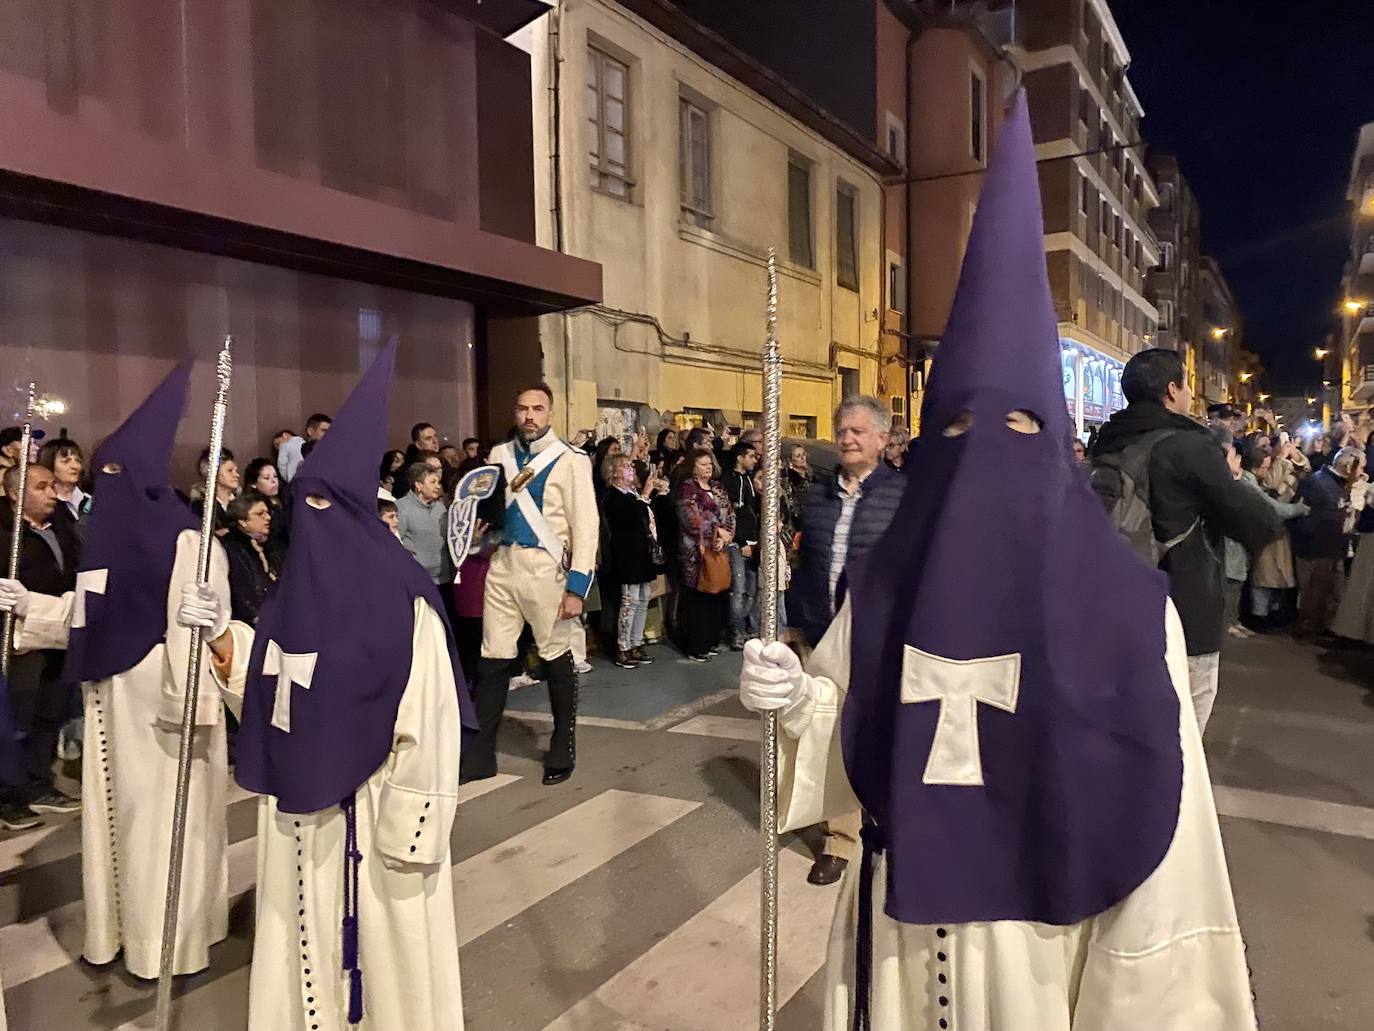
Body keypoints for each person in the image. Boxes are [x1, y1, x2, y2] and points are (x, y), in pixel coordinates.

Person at [738, 93, 1257, 1031]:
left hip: (1042, 955)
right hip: (897, 932)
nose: (982, 453)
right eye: (957, 427)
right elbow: (851, 736)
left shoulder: (1128, 610)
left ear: (1056, 443)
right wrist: (792, 700)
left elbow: (1165, 858)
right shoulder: (888, 584)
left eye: (1017, 424)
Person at [175, 340, 474, 1031]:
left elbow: (431, 725)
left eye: (325, 503)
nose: (310, 517)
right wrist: (221, 636)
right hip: (299, 816)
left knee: (385, 969)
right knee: (301, 952)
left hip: (373, 820)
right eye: (301, 502)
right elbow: (270, 685)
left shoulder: (408, 602)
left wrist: (407, 835)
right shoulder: (291, 596)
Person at [0, 363, 232, 978]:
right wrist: (31, 607)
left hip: (162, 717)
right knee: (117, 828)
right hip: (110, 705)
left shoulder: (187, 540)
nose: (103, 484)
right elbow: (92, 612)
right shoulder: (105, 538)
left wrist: (190, 707)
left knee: (159, 830)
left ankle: (168, 944)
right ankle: (116, 934)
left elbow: (198, 629)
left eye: (114, 472)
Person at [1091, 348, 1279, 731]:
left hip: (1117, 597)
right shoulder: (1189, 446)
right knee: (1184, 727)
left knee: (1126, 718)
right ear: (1172, 389)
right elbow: (1254, 519)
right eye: (1187, 384)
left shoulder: (1107, 442)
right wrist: (1233, 479)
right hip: (1184, 605)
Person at [789, 396, 904, 887]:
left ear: (882, 438)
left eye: (858, 430)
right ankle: (839, 838)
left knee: (880, 733)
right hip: (822, 631)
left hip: (877, 636)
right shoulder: (818, 495)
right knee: (830, 734)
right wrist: (795, 623)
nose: (847, 438)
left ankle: (887, 815)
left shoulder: (901, 495)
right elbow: (805, 563)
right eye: (842, 430)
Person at [462, 384, 597, 786]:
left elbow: (586, 527)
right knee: (492, 660)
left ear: (550, 414)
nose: (529, 416)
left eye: (538, 409)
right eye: (523, 409)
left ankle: (562, 748)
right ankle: (480, 756)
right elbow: (487, 512)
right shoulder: (499, 456)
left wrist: (577, 589)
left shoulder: (571, 460)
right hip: (503, 564)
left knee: (555, 657)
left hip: (546, 569)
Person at [0, 464, 82, 828]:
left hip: (58, 631)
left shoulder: (61, 525)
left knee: (51, 713)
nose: (52, 493)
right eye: (41, 487)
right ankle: (10, 795)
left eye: (51, 486)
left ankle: (38, 783)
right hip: (19, 639)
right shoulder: (6, 532)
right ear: (15, 494)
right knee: (17, 717)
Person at [1230, 444, 1308, 638]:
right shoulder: (1249, 484)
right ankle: (1237, 620)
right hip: (1248, 538)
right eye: (1265, 467)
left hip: (1259, 536)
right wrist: (1299, 509)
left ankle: (1237, 620)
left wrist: (1292, 456)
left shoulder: (1251, 481)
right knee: (1243, 582)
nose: (1267, 471)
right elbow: (1273, 508)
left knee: (1244, 582)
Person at [1291, 446, 1365, 639]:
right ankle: (1308, 630)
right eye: (1360, 468)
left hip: (1332, 548)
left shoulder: (1338, 484)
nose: (1362, 473)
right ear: (1348, 467)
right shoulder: (1318, 484)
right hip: (1317, 549)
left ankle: (1323, 628)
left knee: (1330, 593)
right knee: (1313, 595)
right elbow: (1303, 518)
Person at [600, 454, 661, 668]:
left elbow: (645, 516)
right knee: (630, 602)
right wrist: (644, 495)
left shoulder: (633, 494)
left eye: (630, 466)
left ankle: (636, 642)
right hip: (626, 556)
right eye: (625, 466)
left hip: (641, 554)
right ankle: (623, 646)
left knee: (643, 599)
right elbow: (628, 517)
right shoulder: (613, 496)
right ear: (614, 472)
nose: (630, 470)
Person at [674, 449, 735, 662]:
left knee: (715, 597)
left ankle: (710, 640)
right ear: (693, 467)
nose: (708, 467)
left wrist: (726, 536)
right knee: (697, 599)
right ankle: (695, 645)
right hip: (696, 553)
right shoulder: (688, 490)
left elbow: (730, 514)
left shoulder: (718, 488)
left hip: (718, 549)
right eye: (702, 464)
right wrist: (716, 532)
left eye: (710, 463)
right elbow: (692, 520)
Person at [396, 463, 455, 620]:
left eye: (438, 482)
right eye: (432, 482)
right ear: (418, 485)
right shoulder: (401, 508)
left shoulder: (440, 508)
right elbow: (396, 542)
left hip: (443, 579)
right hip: (419, 582)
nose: (438, 486)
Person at [221, 491, 282, 626]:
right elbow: (241, 594)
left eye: (267, 513)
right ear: (242, 521)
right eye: (260, 514)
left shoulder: (270, 548)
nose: (268, 518)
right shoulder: (232, 548)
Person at [724, 441, 760, 649]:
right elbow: (732, 514)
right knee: (738, 588)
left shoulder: (749, 480)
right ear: (740, 457)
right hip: (737, 544)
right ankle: (735, 630)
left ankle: (745, 626)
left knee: (752, 589)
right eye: (751, 456)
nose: (754, 460)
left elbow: (751, 511)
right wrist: (740, 541)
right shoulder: (730, 481)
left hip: (753, 541)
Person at [190, 446, 240, 534]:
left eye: (236, 470)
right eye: (230, 471)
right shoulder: (200, 507)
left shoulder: (244, 502)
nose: (237, 475)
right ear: (213, 474)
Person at [38, 438, 90, 520]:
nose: (75, 466)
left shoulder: (92, 501)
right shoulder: (44, 505)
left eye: (78, 461)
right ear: (49, 463)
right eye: (66, 461)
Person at [277, 413, 332, 484]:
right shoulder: (296, 449)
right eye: (324, 431)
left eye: (330, 432)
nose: (328, 435)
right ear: (310, 431)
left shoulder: (332, 452)